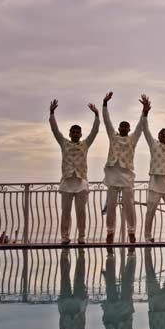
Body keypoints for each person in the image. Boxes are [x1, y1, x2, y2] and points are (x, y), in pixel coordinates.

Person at [49, 99, 100, 244]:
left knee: (81, 213)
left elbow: (94, 132)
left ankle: (82, 236)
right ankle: (65, 237)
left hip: (81, 183)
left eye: (78, 131)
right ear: (70, 133)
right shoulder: (63, 143)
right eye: (74, 131)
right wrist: (52, 113)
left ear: (81, 134)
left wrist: (97, 116)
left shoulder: (85, 144)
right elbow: (55, 131)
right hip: (66, 182)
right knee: (65, 212)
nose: (76, 133)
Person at [101, 92, 147, 244]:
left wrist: (144, 112)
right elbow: (107, 122)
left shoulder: (132, 139)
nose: (124, 128)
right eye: (122, 126)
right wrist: (105, 105)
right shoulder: (113, 136)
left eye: (127, 126)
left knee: (129, 207)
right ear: (119, 128)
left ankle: (132, 231)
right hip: (113, 177)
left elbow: (140, 127)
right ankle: (110, 232)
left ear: (129, 129)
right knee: (111, 207)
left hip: (127, 177)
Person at [139, 95, 165, 242]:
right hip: (155, 184)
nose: (164, 135)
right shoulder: (153, 144)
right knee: (150, 211)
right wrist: (145, 112)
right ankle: (147, 237)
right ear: (158, 136)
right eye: (161, 133)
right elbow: (145, 129)